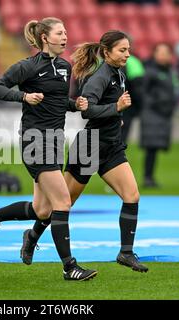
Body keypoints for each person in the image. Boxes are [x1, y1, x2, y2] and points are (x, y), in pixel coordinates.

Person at [0, 17, 98, 281]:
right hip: (35, 139)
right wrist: (23, 96)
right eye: (59, 33)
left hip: (55, 139)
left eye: (66, 32)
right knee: (63, 201)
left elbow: (56, 102)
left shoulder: (65, 67)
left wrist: (74, 105)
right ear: (45, 38)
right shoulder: (27, 66)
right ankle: (69, 267)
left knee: (42, 210)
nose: (65, 37)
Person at [21, 30, 149, 273]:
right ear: (107, 52)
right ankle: (33, 236)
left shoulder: (119, 73)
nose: (128, 54)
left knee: (132, 196)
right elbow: (87, 110)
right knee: (60, 205)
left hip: (111, 147)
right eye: (122, 50)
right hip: (89, 147)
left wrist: (115, 116)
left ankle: (125, 252)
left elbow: (106, 110)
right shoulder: (99, 76)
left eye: (129, 50)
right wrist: (116, 108)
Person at [140, 43, 179, 188]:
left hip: (163, 114)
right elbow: (143, 93)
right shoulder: (150, 71)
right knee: (151, 148)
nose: (164, 56)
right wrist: (158, 103)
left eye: (166, 52)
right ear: (155, 54)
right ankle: (148, 178)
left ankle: (150, 177)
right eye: (161, 52)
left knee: (155, 148)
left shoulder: (170, 71)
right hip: (152, 113)